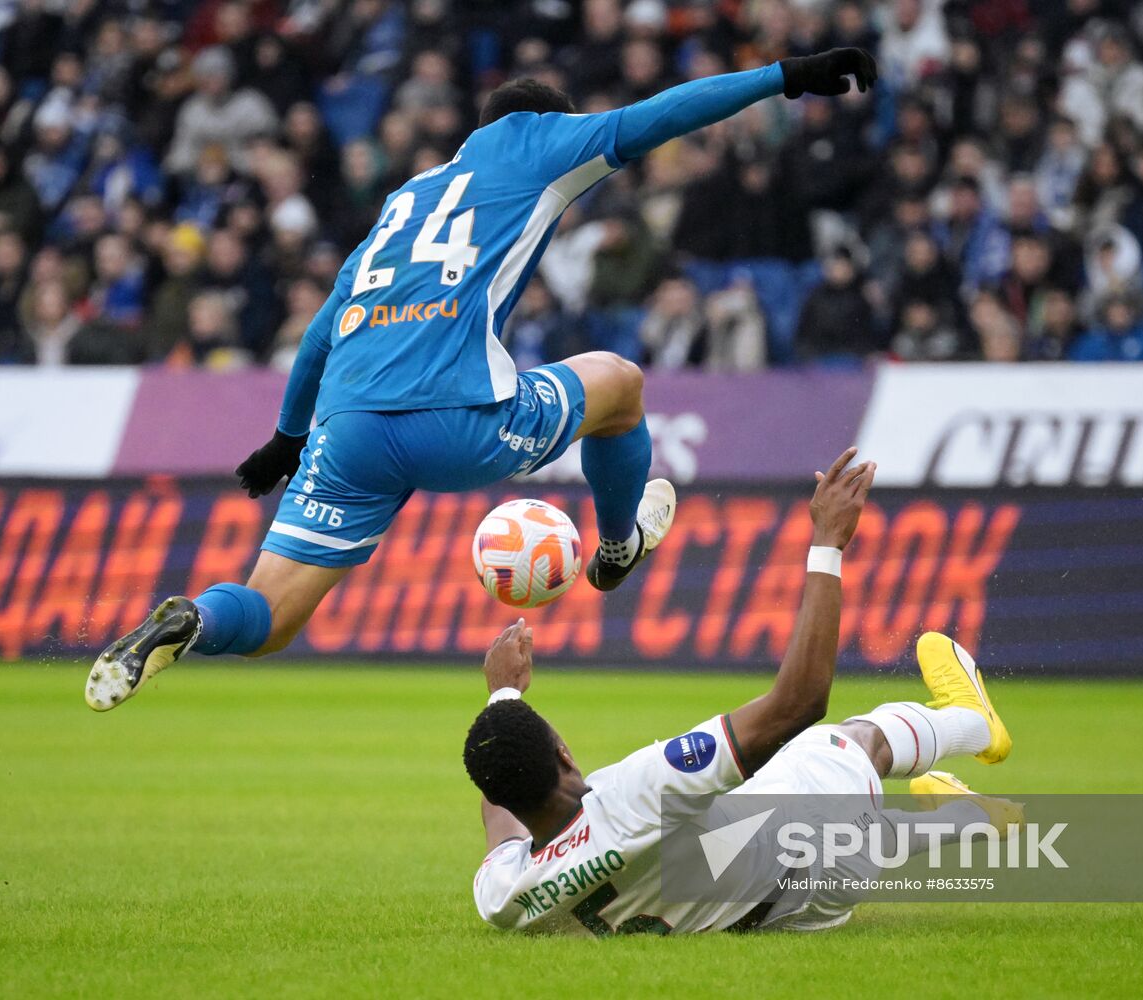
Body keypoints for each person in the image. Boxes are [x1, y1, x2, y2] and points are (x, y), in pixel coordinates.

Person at [84, 48, 881, 711]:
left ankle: (188, 616)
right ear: (540, 117)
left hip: (346, 431)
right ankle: (614, 548)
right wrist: (783, 75)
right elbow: (660, 115)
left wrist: (286, 439)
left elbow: (324, 329)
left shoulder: (404, 199)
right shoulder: (539, 141)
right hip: (458, 416)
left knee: (268, 617)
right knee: (619, 384)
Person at [464, 449, 1015, 935]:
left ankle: (976, 818)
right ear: (563, 753)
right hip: (810, 850)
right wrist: (827, 543)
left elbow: (501, 810)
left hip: (796, 913)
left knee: (769, 824)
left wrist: (502, 703)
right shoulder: (637, 794)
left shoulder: (505, 897)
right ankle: (972, 722)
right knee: (846, 744)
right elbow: (798, 703)